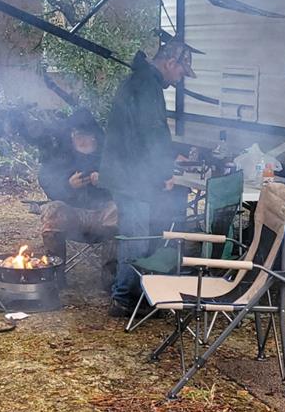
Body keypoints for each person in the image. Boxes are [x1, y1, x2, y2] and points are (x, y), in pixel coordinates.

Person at [102, 37, 195, 317]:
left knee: (139, 235)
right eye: (181, 73)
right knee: (136, 239)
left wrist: (169, 156)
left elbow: (148, 133)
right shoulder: (146, 85)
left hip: (129, 172)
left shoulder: (144, 80)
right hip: (131, 176)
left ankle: (135, 293)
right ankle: (123, 300)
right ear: (170, 62)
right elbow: (150, 133)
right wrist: (165, 170)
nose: (180, 80)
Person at [38, 109, 118, 280]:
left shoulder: (109, 153)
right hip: (72, 215)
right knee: (52, 210)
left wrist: (107, 181)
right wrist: (67, 185)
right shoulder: (62, 153)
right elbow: (46, 179)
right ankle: (55, 277)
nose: (80, 139)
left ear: (94, 135)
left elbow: (126, 179)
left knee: (118, 210)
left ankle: (110, 280)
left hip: (103, 216)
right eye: (76, 134)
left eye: (85, 134)